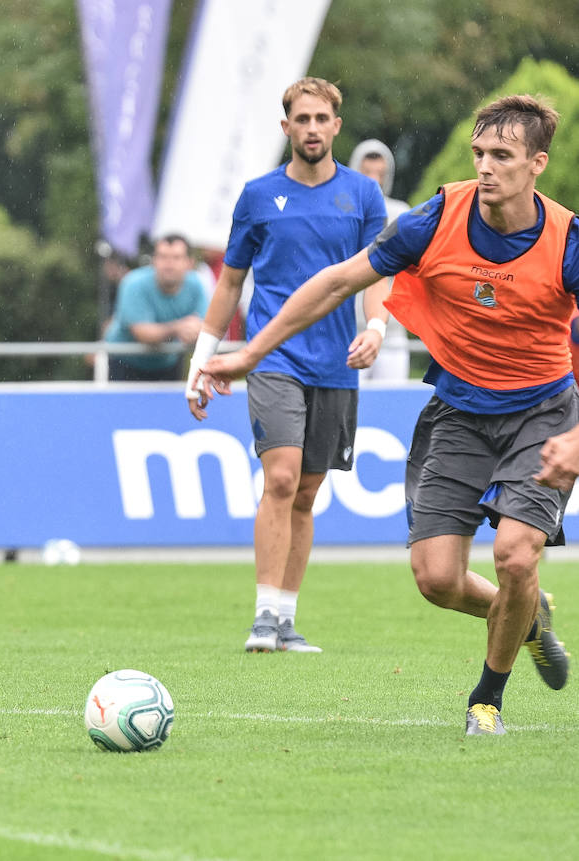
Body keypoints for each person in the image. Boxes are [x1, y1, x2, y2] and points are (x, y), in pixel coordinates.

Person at [200, 94, 575, 736]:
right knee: (437, 580)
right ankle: (528, 610)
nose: (485, 168)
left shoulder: (568, 241)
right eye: (479, 153)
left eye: (503, 156)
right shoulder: (435, 218)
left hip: (543, 413)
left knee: (515, 553)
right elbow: (336, 282)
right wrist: (248, 352)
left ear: (537, 163)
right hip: (458, 411)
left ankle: (487, 698)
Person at [184, 77, 390, 655]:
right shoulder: (257, 195)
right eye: (302, 119)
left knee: (306, 491)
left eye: (322, 119)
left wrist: (376, 327)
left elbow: (377, 276)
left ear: (336, 127)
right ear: (287, 128)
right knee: (279, 478)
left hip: (336, 364)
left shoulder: (364, 196)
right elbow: (229, 282)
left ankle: (287, 619)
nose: (313, 129)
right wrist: (203, 360)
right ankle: (262, 618)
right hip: (270, 359)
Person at [349, 139, 413, 381]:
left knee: (393, 404)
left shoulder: (400, 213)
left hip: (393, 331)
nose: (374, 179)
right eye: (367, 173)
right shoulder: (343, 214)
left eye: (380, 173)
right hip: (351, 329)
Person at [103, 234, 209, 381]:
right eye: (163, 257)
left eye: (176, 257)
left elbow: (206, 329)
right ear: (153, 261)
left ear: (190, 263)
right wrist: (179, 328)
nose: (169, 263)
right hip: (125, 361)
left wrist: (194, 331)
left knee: (170, 404)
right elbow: (143, 334)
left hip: (169, 362)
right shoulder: (133, 284)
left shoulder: (197, 285)